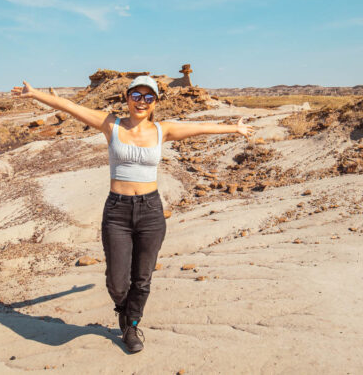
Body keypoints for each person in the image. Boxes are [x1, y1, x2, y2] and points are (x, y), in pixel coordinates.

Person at [14, 76, 254, 353]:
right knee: (117, 283)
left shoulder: (163, 130)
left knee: (142, 278)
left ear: (155, 102)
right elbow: (69, 106)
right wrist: (34, 95)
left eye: (148, 97)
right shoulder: (111, 124)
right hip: (117, 211)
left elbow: (199, 127)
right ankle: (123, 310)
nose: (142, 102)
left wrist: (233, 129)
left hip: (151, 211)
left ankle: (131, 326)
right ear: (127, 98)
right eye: (136, 96)